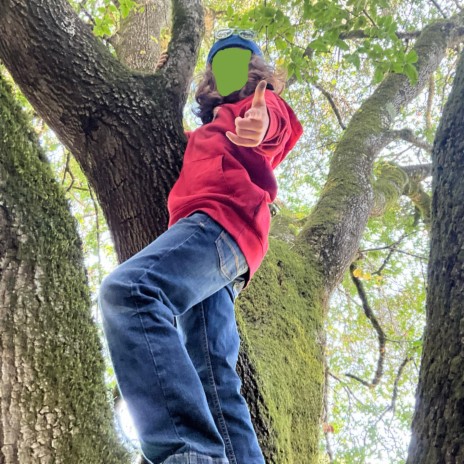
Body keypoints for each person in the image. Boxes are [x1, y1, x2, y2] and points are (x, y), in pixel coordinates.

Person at [98, 28, 303, 464]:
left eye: (240, 62)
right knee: (213, 374)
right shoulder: (205, 131)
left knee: (131, 292)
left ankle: (187, 453)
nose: (229, 70)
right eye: (220, 64)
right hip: (225, 256)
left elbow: (276, 127)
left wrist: (261, 124)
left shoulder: (252, 110)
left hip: (220, 223)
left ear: (256, 71)